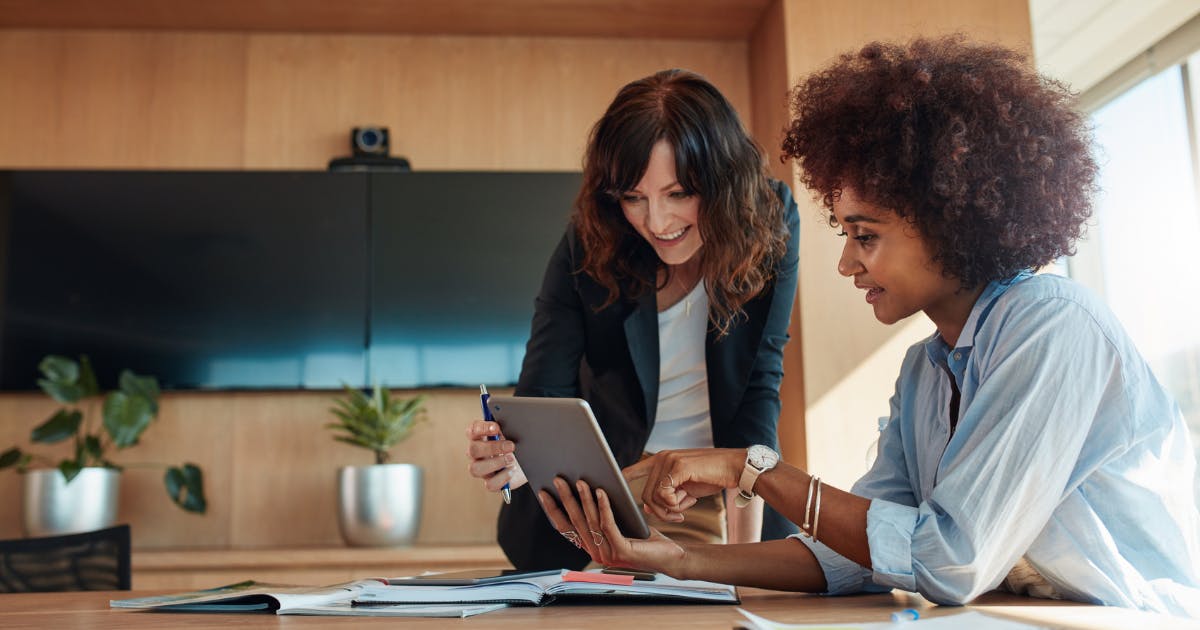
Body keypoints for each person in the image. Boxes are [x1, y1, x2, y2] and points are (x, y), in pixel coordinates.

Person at [540, 36, 1200, 617]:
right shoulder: (925, 372)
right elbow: (855, 558)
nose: (846, 260)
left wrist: (752, 468)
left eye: (866, 235)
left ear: (951, 220)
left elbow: (949, 559)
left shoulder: (1053, 328)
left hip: (1130, 615)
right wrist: (676, 562)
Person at [465, 68, 801, 570]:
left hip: (725, 498)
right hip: (601, 504)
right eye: (633, 197)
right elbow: (544, 394)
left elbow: (758, 386)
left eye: (679, 193)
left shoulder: (768, 221)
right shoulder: (591, 239)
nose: (657, 222)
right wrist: (512, 457)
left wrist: (745, 563)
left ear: (724, 182)